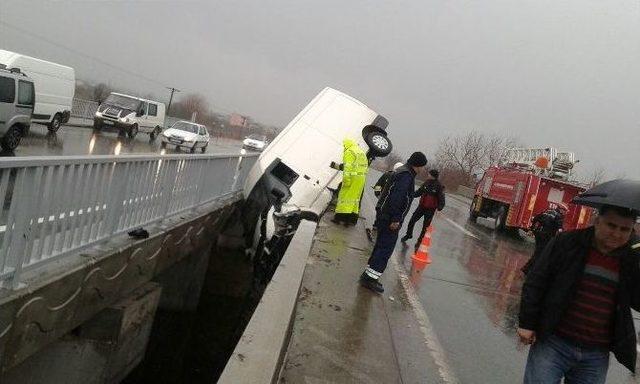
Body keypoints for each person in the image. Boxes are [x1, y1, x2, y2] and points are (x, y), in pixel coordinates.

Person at [518, 205, 640, 383]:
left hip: (596, 355)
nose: (617, 234)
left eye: (624, 229)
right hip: (553, 344)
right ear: (597, 221)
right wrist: (527, 323)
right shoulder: (568, 243)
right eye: (611, 226)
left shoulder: (631, 259)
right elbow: (537, 281)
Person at [359, 152, 427, 293]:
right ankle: (370, 279)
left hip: (384, 215)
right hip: (390, 218)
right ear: (418, 165)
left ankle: (368, 275)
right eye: (422, 166)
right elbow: (397, 198)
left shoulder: (401, 172)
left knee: (380, 246)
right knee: (385, 248)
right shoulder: (406, 176)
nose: (422, 169)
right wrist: (395, 219)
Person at [401, 169, 445, 247]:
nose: (428, 175)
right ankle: (408, 235)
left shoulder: (439, 186)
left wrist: (439, 208)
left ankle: (419, 241)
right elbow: (419, 192)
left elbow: (441, 198)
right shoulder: (426, 182)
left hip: (430, 210)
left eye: (429, 174)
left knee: (425, 227)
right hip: (421, 207)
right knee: (412, 220)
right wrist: (411, 195)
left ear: (432, 176)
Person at [521, 203, 567, 274]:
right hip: (546, 236)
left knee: (539, 252)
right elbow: (560, 229)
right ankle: (527, 269)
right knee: (540, 253)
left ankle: (530, 269)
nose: (565, 212)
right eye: (565, 210)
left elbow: (536, 218)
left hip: (539, 234)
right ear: (561, 209)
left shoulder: (548, 211)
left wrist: (532, 228)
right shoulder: (559, 216)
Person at [332, 139, 369, 226]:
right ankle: (349, 221)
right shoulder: (361, 152)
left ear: (346, 145)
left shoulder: (349, 151)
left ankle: (338, 219)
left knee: (344, 198)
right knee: (354, 199)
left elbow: (347, 168)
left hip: (353, 177)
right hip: (361, 178)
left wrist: (346, 180)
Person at [366, 162, 404, 241]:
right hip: (384, 201)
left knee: (383, 217)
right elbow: (378, 185)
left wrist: (378, 194)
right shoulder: (387, 175)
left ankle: (378, 230)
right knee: (380, 215)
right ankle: (376, 229)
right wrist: (378, 194)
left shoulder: (401, 179)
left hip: (389, 203)